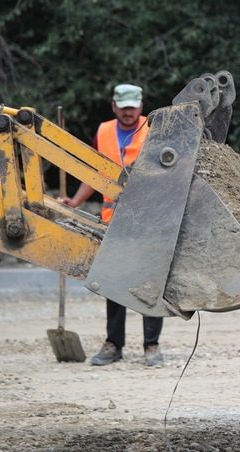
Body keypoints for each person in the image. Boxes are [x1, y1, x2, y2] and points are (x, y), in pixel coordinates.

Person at [61, 83, 164, 367]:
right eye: (123, 107)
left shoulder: (154, 130)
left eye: (133, 108)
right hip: (114, 222)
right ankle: (113, 344)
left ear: (141, 107)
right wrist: (76, 202)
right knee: (114, 283)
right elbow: (96, 172)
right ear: (114, 106)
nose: (128, 112)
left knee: (149, 284)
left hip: (148, 220)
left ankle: (151, 346)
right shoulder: (104, 131)